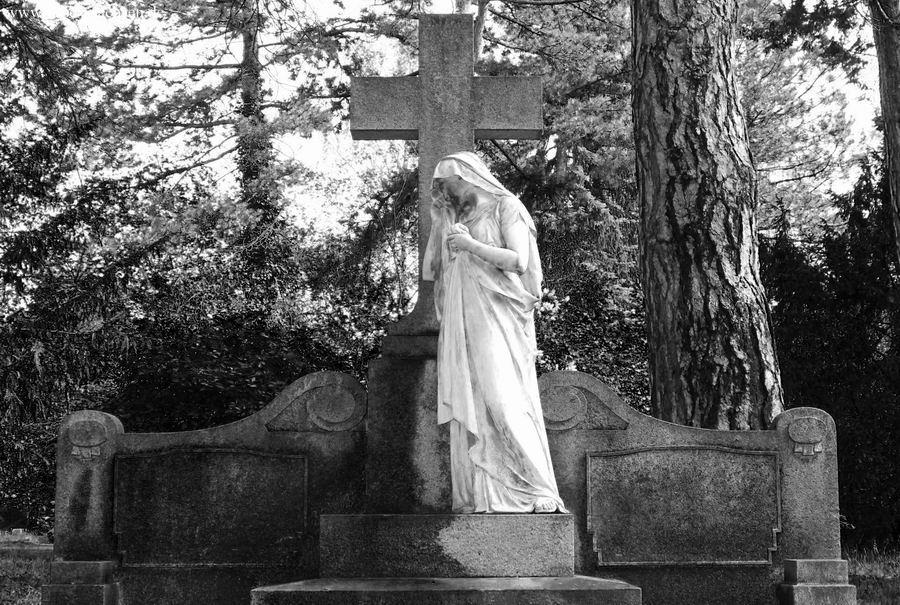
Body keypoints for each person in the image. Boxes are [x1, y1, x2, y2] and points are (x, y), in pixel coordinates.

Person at [422, 151, 566, 514]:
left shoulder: (506, 206)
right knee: (476, 401)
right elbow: (433, 272)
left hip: (499, 316)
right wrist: (442, 224)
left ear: (467, 176)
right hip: (464, 320)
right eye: (440, 189)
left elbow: (518, 261)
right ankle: (483, 493)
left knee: (504, 398)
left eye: (448, 185)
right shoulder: (457, 218)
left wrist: (470, 245)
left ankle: (537, 487)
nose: (445, 194)